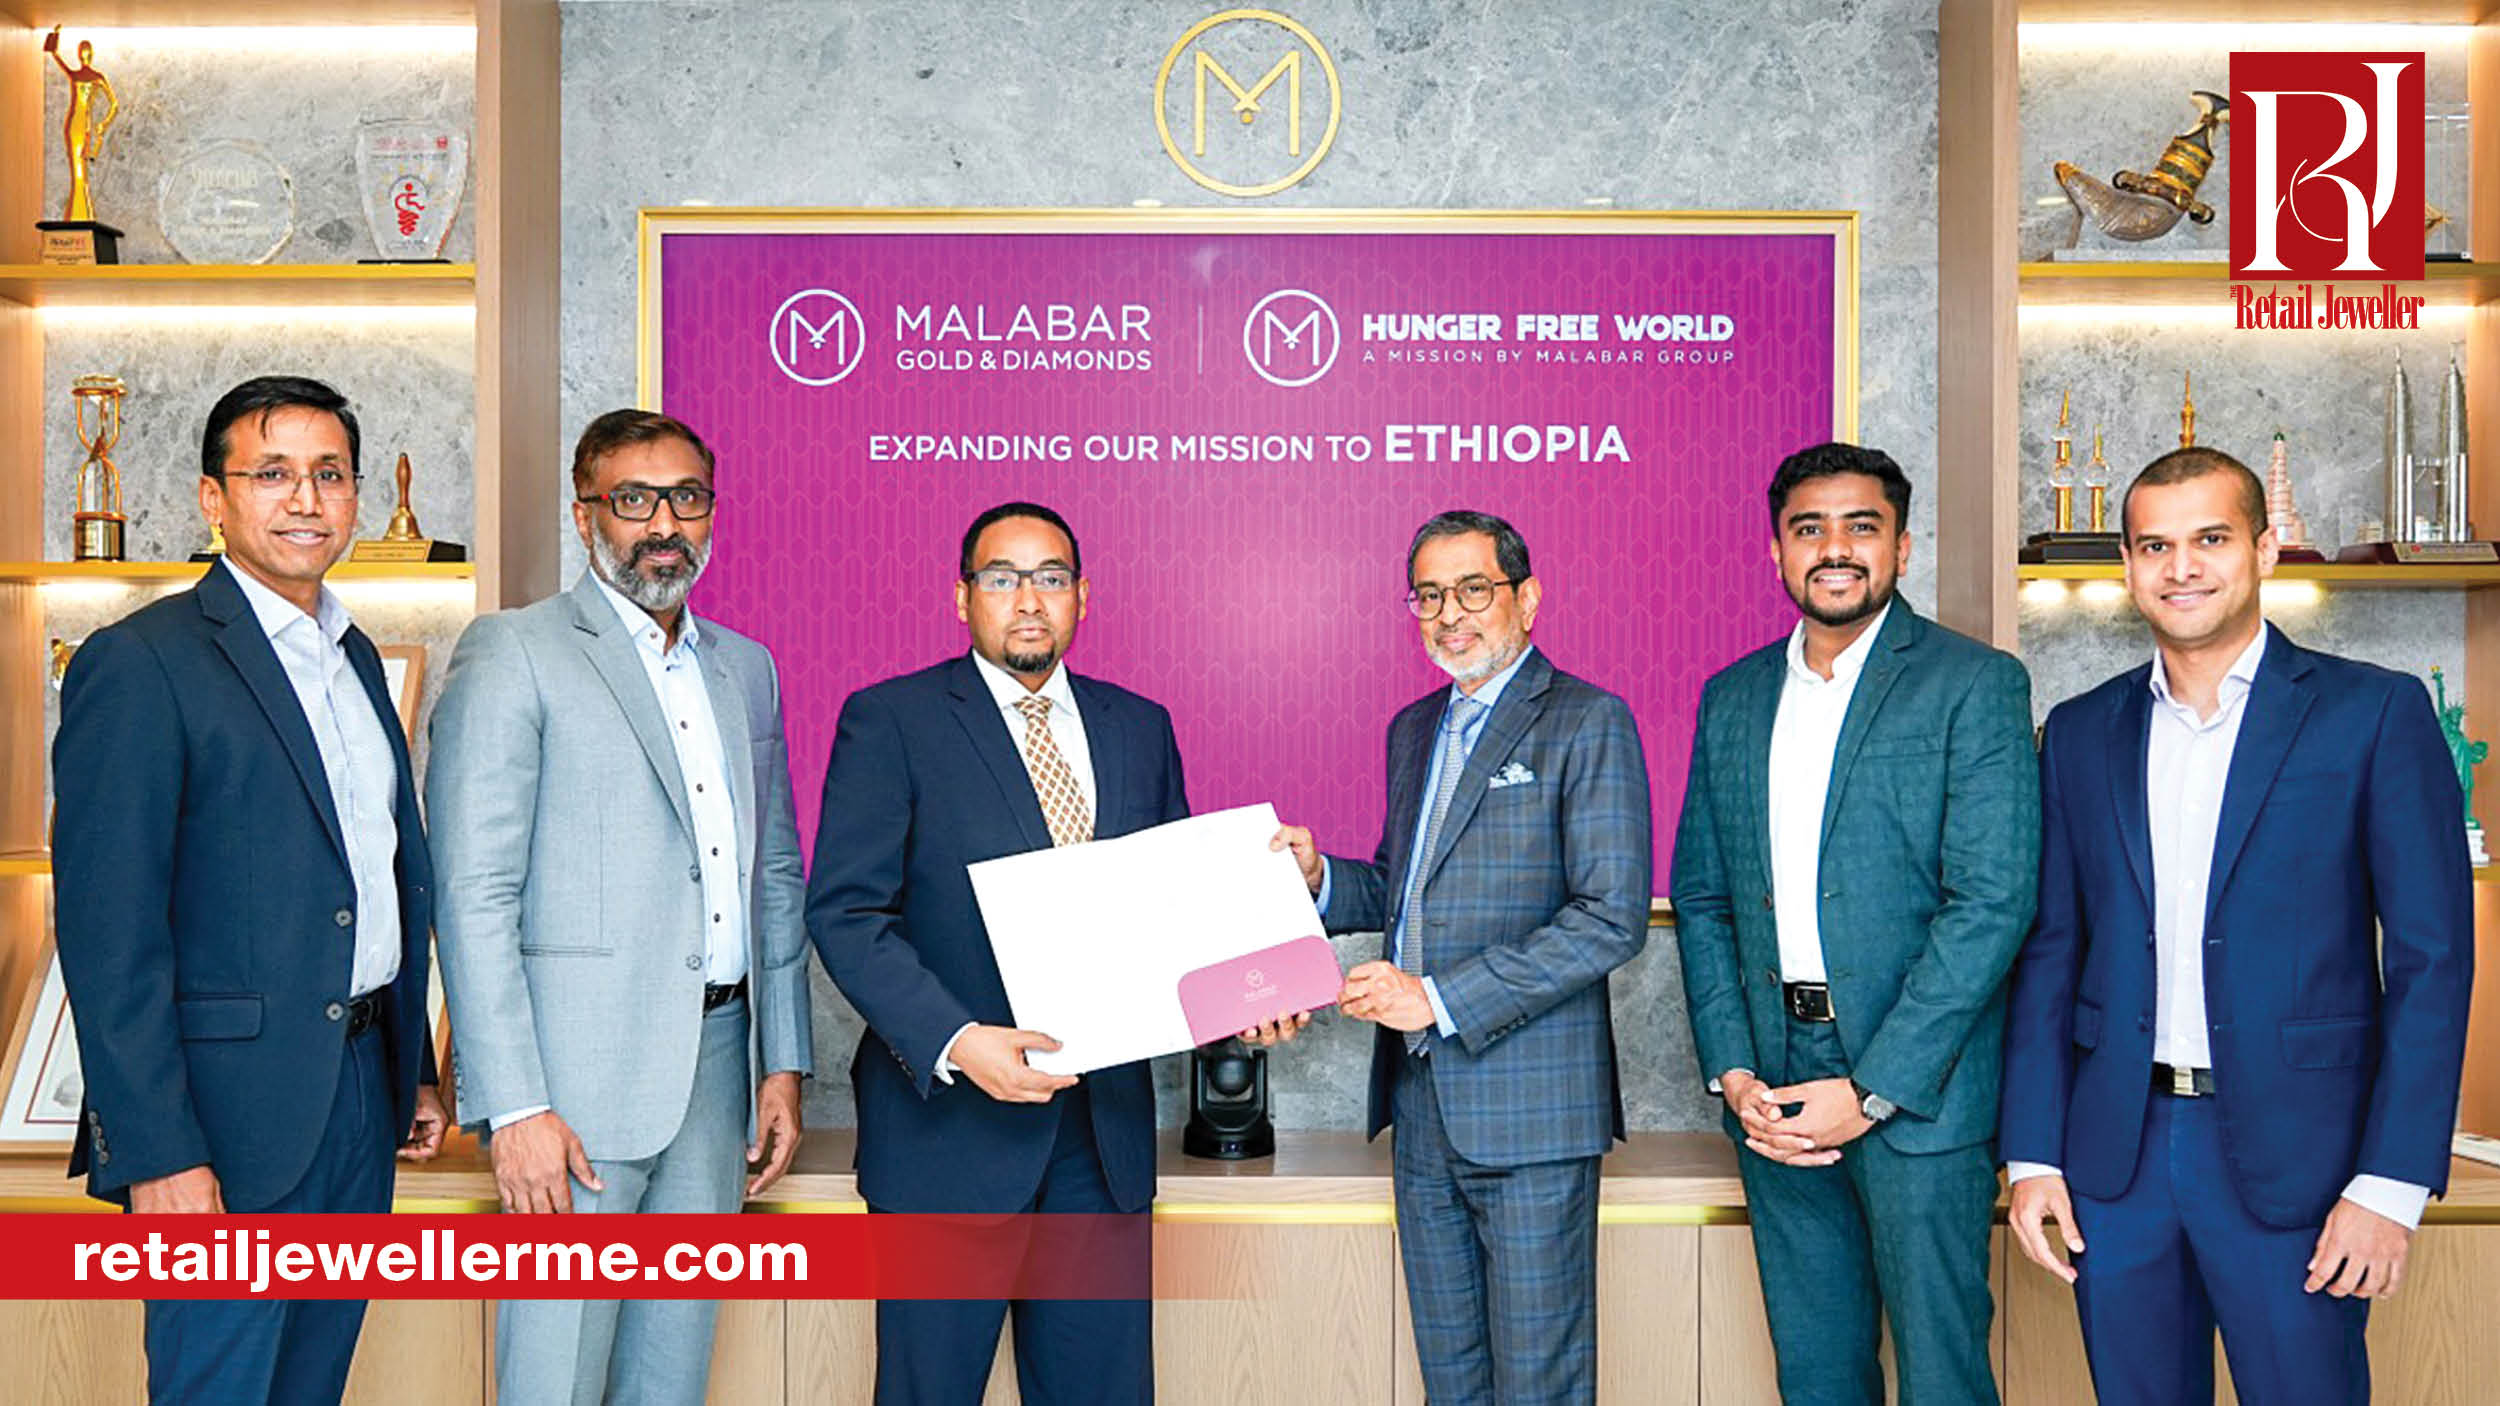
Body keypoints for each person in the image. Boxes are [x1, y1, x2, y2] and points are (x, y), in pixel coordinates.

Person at [2002, 447, 2475, 1405]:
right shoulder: (2081, 731)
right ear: (2127, 564)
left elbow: (2433, 961)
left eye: (2211, 539)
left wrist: (2390, 1184)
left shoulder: (2374, 712)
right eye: (2155, 546)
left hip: (2306, 1165)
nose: (2181, 568)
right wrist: (2033, 1153)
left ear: (2264, 548)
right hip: (2116, 1163)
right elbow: (2052, 954)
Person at [52, 374, 448, 1403]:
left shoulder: (353, 656)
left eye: (329, 474)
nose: (306, 500)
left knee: (312, 1385)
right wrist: (156, 1153)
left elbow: (372, 878)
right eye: (272, 474)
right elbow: (108, 934)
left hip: (357, 1096)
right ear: (212, 498)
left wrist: (412, 1067)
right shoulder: (142, 662)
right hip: (221, 1124)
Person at [428, 409, 813, 1405]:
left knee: (668, 1380)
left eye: (686, 498)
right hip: (571, 1091)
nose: (663, 524)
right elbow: (473, 893)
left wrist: (781, 1062)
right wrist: (514, 1106)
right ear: (585, 512)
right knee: (553, 1381)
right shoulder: (514, 651)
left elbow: (773, 873)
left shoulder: (746, 668)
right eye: (634, 499)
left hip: (718, 1079)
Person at [1670, 441, 2037, 1405]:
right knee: (1818, 1373)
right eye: (1809, 529)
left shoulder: (1974, 683)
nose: (1834, 548)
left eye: (1860, 527)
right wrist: (1734, 1069)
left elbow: (1992, 904)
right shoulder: (1733, 696)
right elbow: (1703, 899)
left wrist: (1872, 1089)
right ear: (1778, 551)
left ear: (1902, 548)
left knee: (1942, 1377)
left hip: (1919, 1087)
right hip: (1774, 1084)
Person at [1268, 509, 1652, 1405]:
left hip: (1532, 1114)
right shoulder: (1413, 729)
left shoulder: (1587, 720)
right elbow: (1405, 888)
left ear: (1527, 598)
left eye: (1474, 590)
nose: (1450, 615)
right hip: (1421, 1110)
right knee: (1453, 1383)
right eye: (1430, 595)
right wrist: (1322, 879)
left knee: (1539, 1386)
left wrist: (1437, 999)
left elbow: (1610, 918)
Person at [809, 501, 1187, 1405]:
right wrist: (956, 1041)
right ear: (962, 597)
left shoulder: (1140, 726)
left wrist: (1245, 996)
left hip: (1100, 1145)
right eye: (1002, 578)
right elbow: (847, 912)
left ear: (1082, 595)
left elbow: (1172, 909)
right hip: (947, 1138)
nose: (1028, 600)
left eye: (1050, 578)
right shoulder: (892, 719)